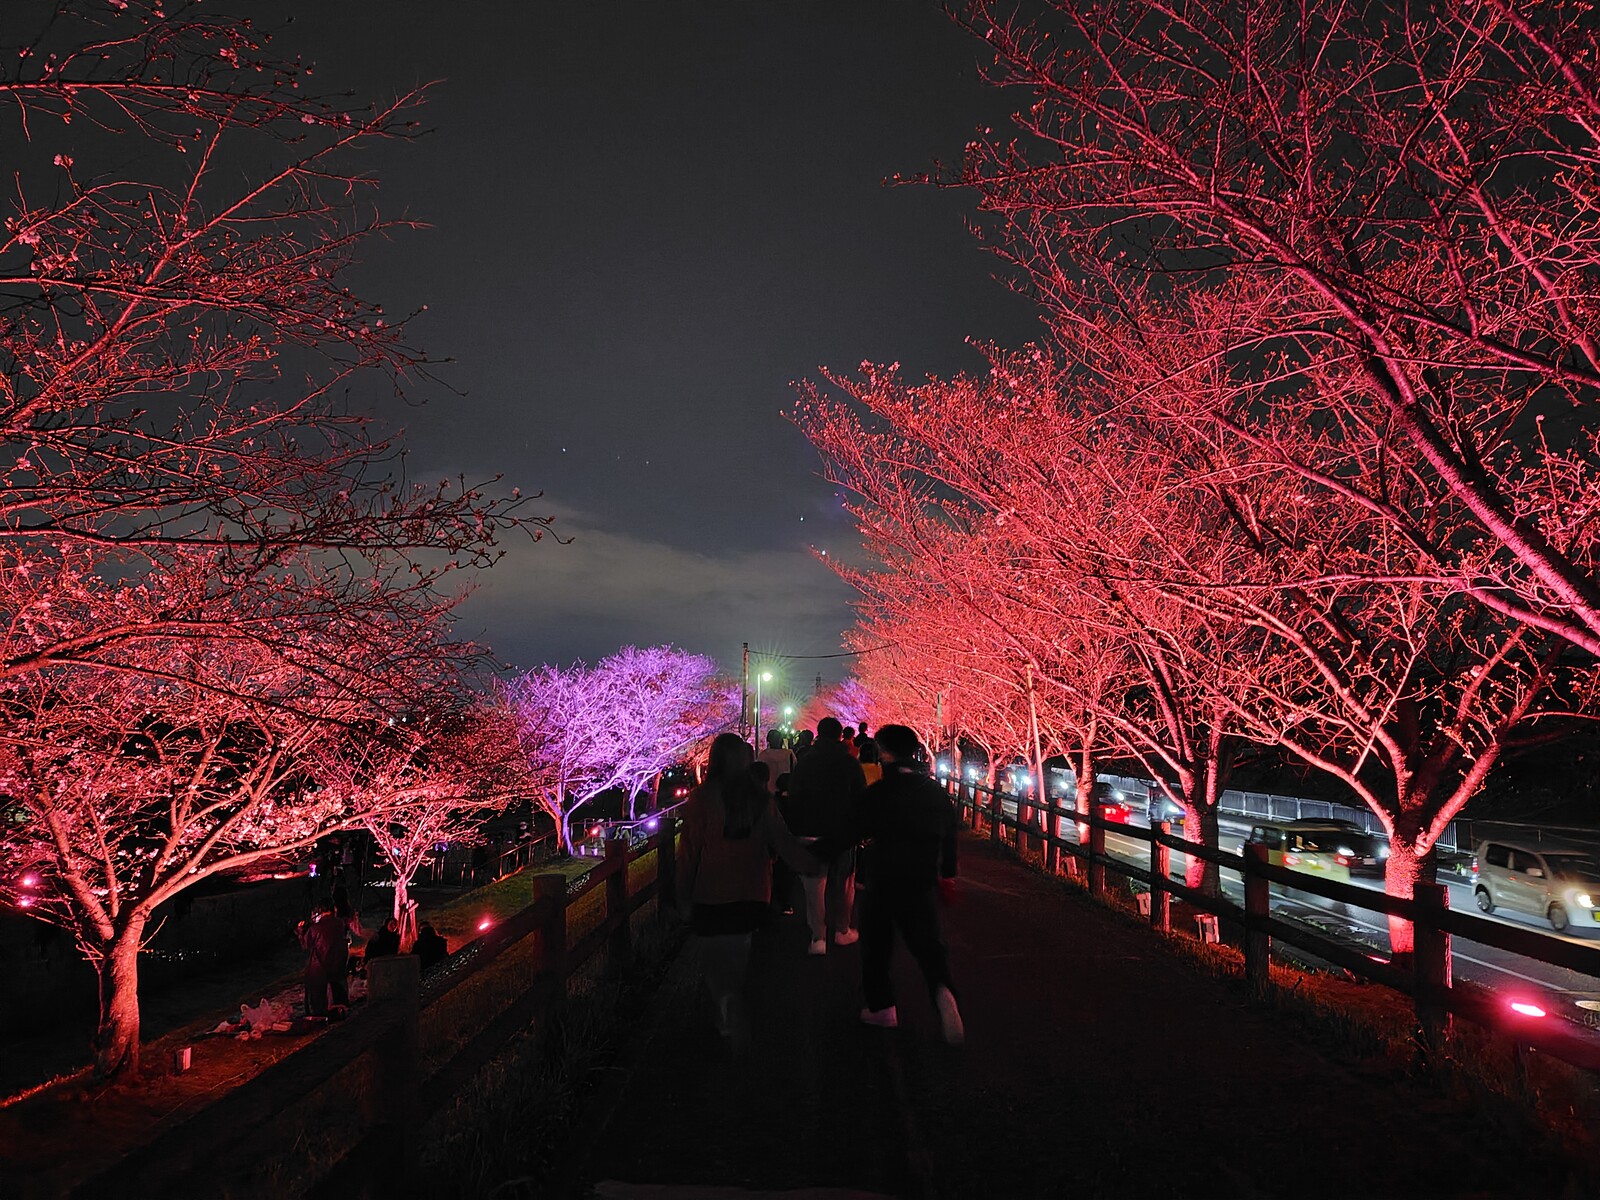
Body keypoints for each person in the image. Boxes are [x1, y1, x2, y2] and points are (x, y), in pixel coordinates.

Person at [678, 732, 813, 1047]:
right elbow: (781, 840)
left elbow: (689, 854)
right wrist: (810, 863)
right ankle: (736, 1006)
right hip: (752, 892)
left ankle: (726, 1007)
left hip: (710, 894)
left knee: (715, 961)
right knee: (741, 955)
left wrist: (682, 896)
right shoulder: (760, 799)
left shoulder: (701, 799)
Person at [848, 724, 964, 1044]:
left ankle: (882, 1007)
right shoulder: (933, 791)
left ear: (883, 752)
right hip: (921, 879)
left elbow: (852, 830)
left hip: (882, 879)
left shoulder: (878, 792)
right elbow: (950, 832)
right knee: (928, 945)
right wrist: (947, 872)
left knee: (876, 946)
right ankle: (942, 991)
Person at [786, 716, 867, 955]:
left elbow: (794, 797)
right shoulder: (850, 763)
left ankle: (818, 938)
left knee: (814, 888)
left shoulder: (805, 762)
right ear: (840, 735)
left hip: (809, 832)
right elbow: (861, 799)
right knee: (842, 885)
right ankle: (842, 930)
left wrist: (795, 829)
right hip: (841, 834)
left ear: (818, 734)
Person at [298, 899, 350, 1018]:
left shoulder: (315, 928)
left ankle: (319, 1013)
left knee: (315, 986)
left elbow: (306, 945)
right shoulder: (340, 923)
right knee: (338, 987)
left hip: (321, 965)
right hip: (338, 963)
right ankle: (341, 1008)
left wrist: (301, 932)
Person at [756, 728, 795, 795]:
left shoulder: (763, 755)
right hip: (785, 791)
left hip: (767, 791)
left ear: (769, 741)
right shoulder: (789, 754)